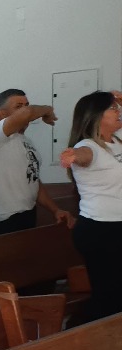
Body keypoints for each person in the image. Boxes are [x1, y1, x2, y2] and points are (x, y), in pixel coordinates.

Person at [59, 90, 122, 321]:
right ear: (95, 115)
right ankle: (81, 329)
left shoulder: (116, 141)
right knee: (110, 295)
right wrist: (73, 155)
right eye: (112, 108)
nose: (118, 111)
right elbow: (84, 155)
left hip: (116, 227)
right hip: (100, 230)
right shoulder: (89, 145)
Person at [0, 88, 75, 235]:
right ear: (2, 114)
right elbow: (28, 113)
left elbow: (32, 181)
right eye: (18, 106)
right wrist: (47, 110)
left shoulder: (26, 141)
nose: (25, 109)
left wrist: (55, 210)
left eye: (26, 105)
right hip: (2, 217)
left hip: (27, 212)